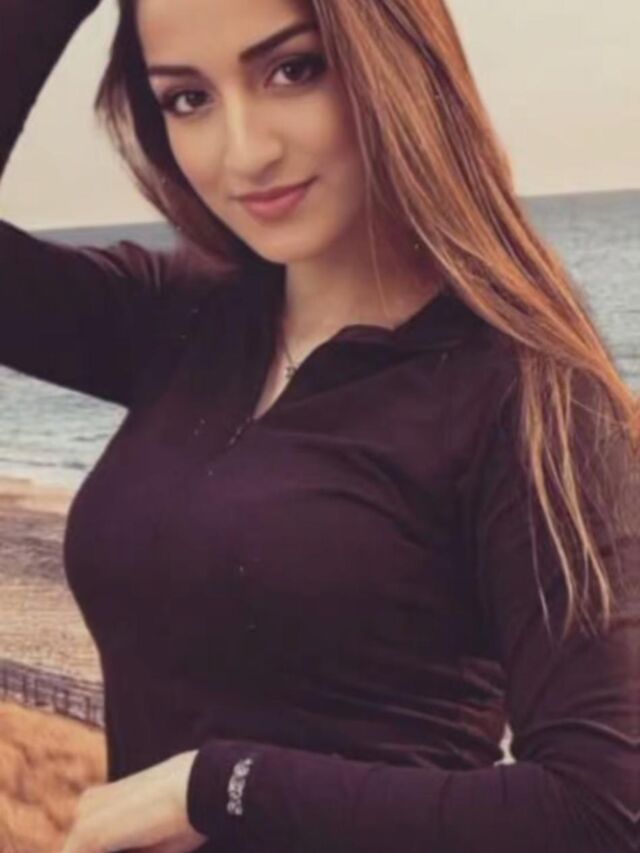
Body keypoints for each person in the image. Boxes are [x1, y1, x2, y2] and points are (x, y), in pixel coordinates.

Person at [1, 0, 637, 851]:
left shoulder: (525, 390)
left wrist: (218, 786)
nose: (245, 152)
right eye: (188, 98)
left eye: (293, 70)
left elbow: (602, 811)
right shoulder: (181, 321)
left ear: (392, 65)